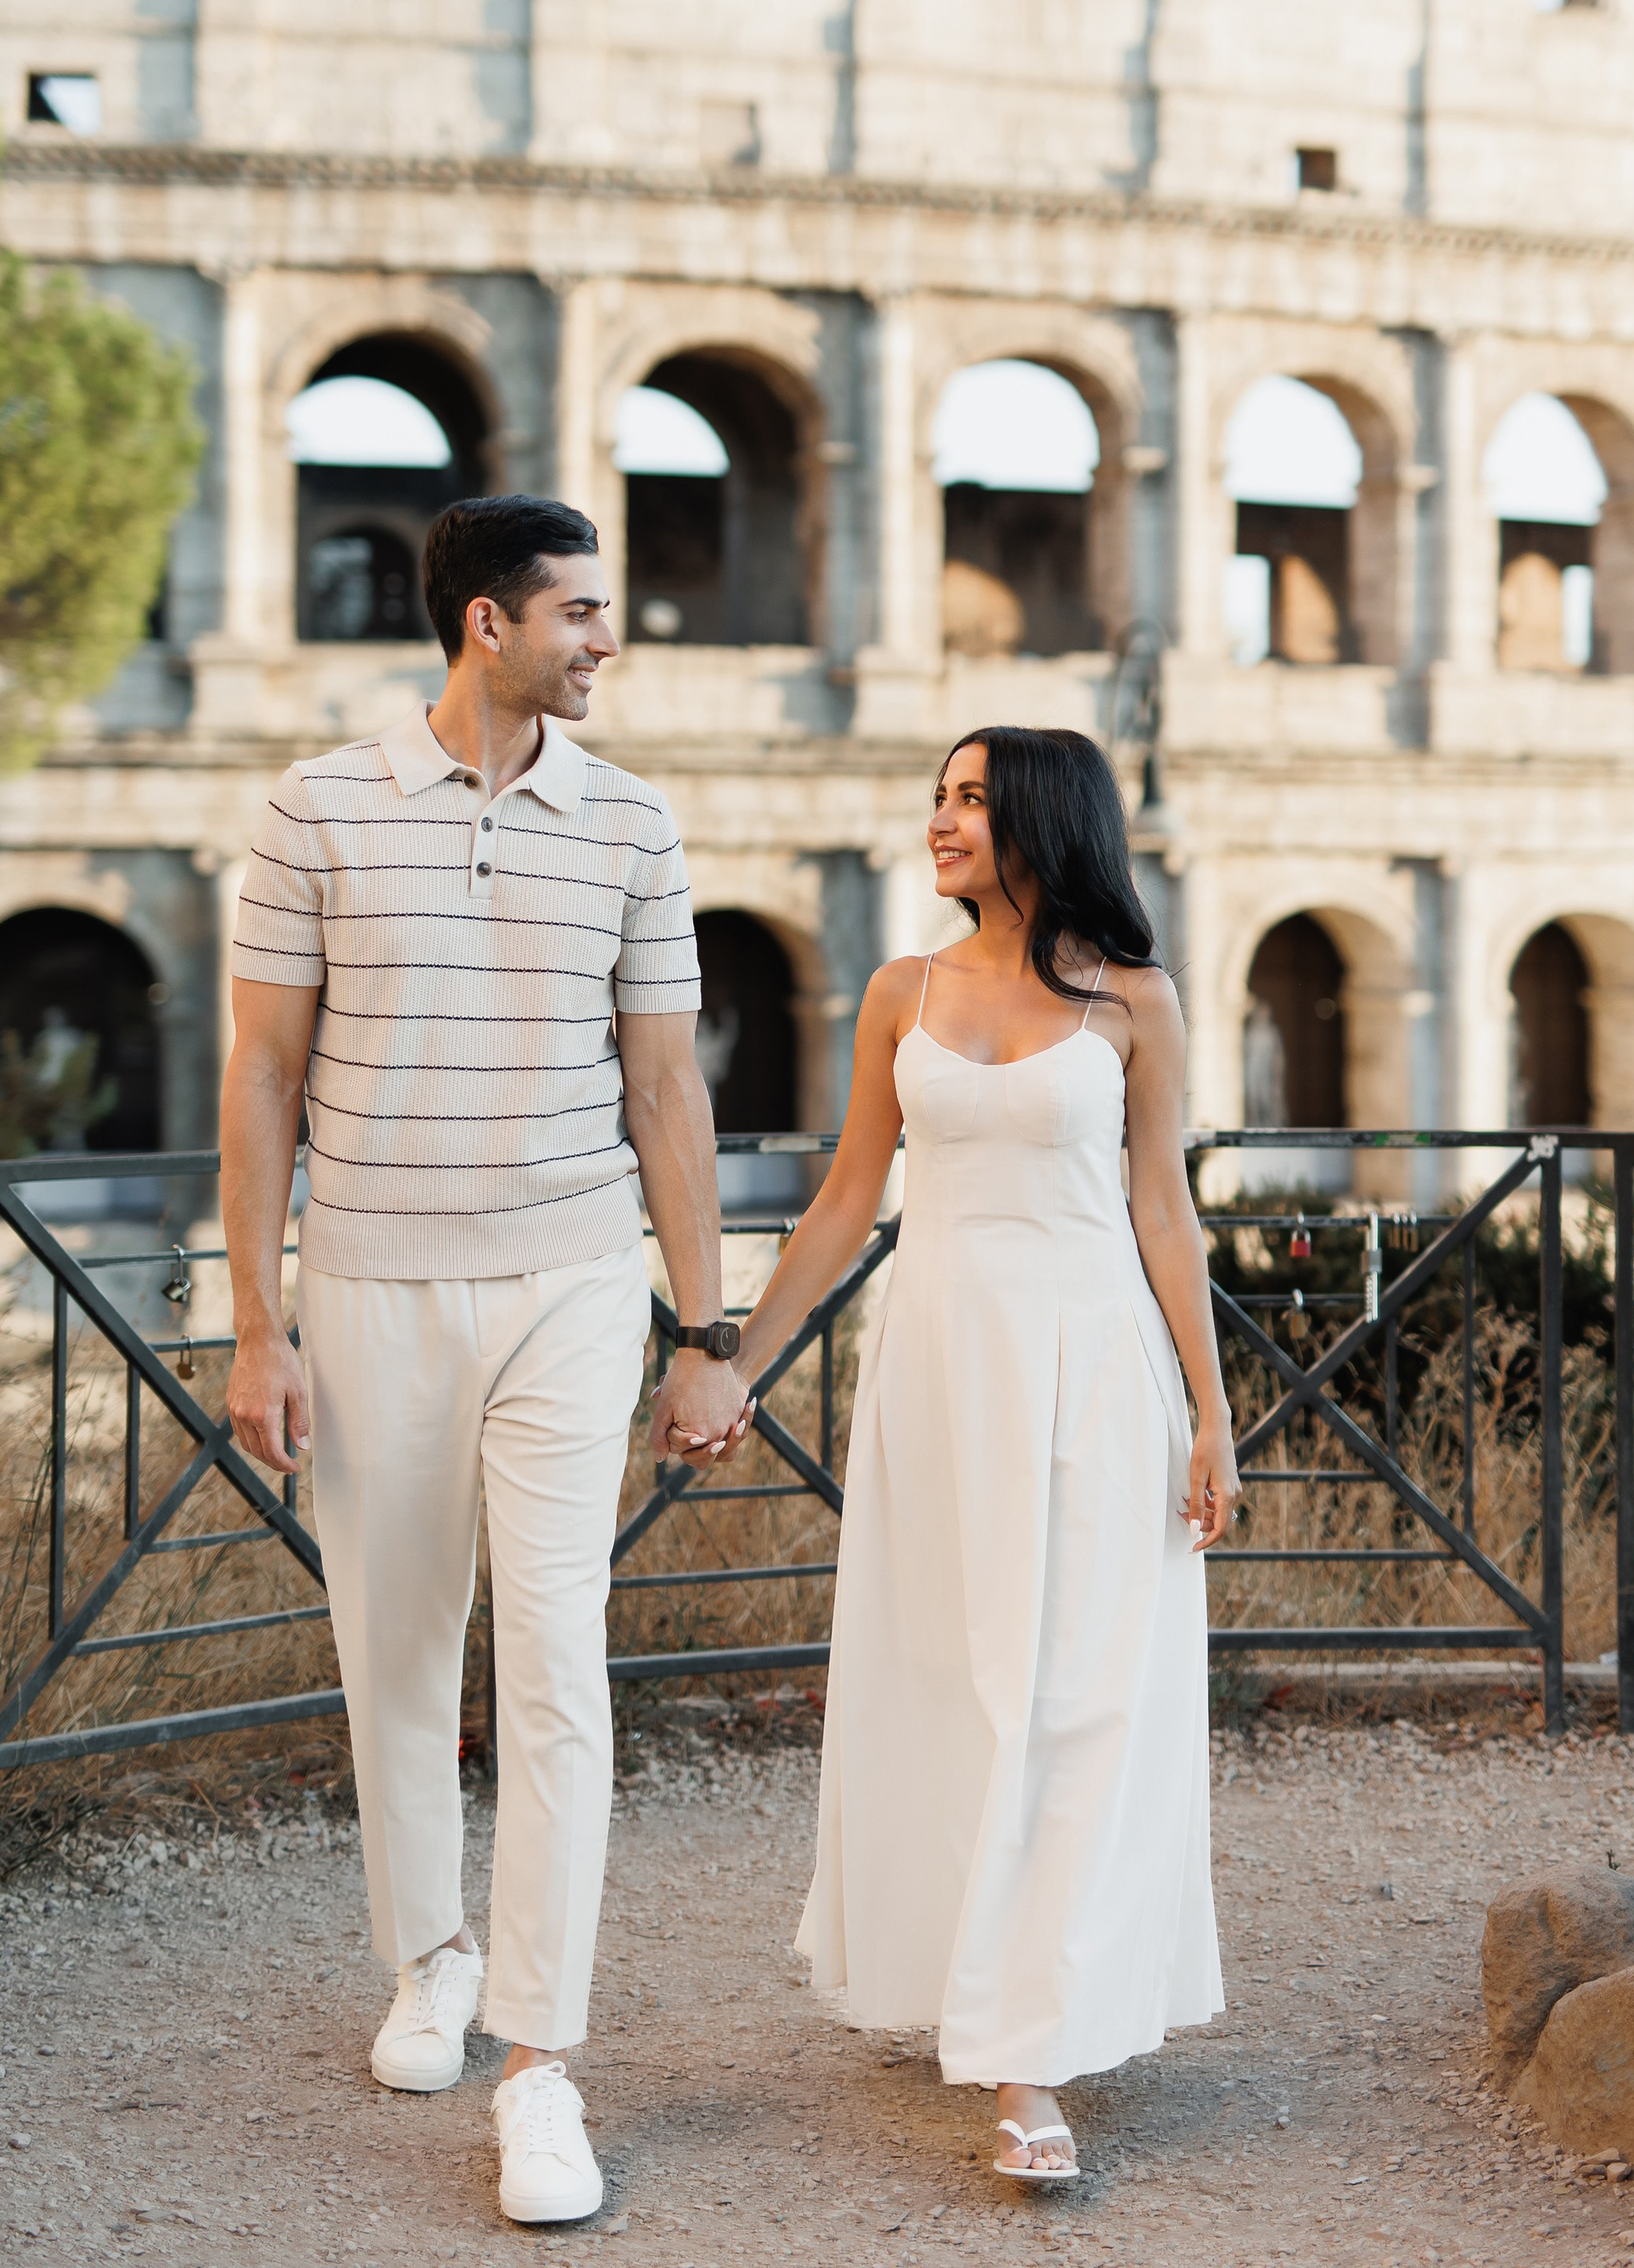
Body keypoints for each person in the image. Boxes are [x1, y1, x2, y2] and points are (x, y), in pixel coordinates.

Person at [221, 495, 747, 2227]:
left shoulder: (634, 824)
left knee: (556, 1657)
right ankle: (427, 1955)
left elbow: (668, 1090)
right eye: (581, 615)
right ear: (485, 627)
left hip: (576, 1280)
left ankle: (540, 2060)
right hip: (370, 1280)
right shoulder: (313, 809)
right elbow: (261, 1085)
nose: (606, 643)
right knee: (391, 1647)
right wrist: (255, 1320)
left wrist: (704, 1325)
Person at [701, 726, 1240, 2182]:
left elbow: (1164, 1215)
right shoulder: (898, 995)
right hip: (936, 1368)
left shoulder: (1137, 1003)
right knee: (954, 1680)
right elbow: (840, 1205)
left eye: (972, 800)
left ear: (1043, 822)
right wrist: (732, 1363)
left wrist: (1212, 1408)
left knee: (1071, 1697)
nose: (941, 820)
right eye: (937, 796)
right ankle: (978, 1979)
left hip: (1095, 1371)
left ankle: (1027, 2063)